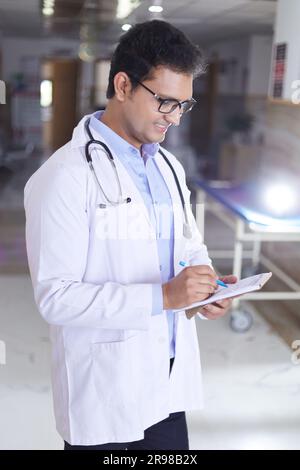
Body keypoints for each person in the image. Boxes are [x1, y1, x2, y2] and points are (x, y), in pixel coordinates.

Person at [24, 20, 236, 450]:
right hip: (108, 390)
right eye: (165, 102)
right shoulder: (64, 176)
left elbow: (189, 244)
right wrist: (165, 297)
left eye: (183, 105)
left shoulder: (168, 168)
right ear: (123, 85)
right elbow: (56, 297)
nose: (174, 118)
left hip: (168, 380)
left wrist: (204, 287)